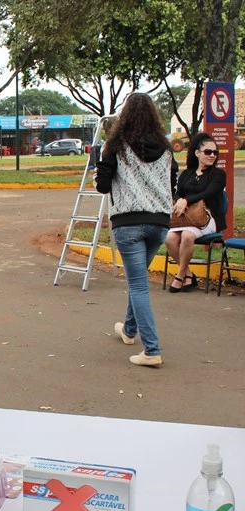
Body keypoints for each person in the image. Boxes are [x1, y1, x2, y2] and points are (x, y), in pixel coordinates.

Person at [94, 93, 177, 367]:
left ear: (125, 115)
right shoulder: (166, 149)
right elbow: (172, 183)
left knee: (139, 285)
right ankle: (129, 331)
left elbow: (103, 186)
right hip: (159, 223)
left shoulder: (115, 146)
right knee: (137, 280)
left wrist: (101, 174)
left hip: (128, 223)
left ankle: (152, 350)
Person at [164, 133, 227, 292]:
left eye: (215, 152)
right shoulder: (187, 173)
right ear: (197, 153)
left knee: (187, 235)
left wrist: (186, 200)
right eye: (208, 152)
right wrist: (179, 199)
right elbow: (178, 193)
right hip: (186, 218)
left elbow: (208, 193)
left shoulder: (218, 174)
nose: (212, 155)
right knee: (169, 238)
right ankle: (188, 274)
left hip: (207, 219)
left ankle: (180, 276)